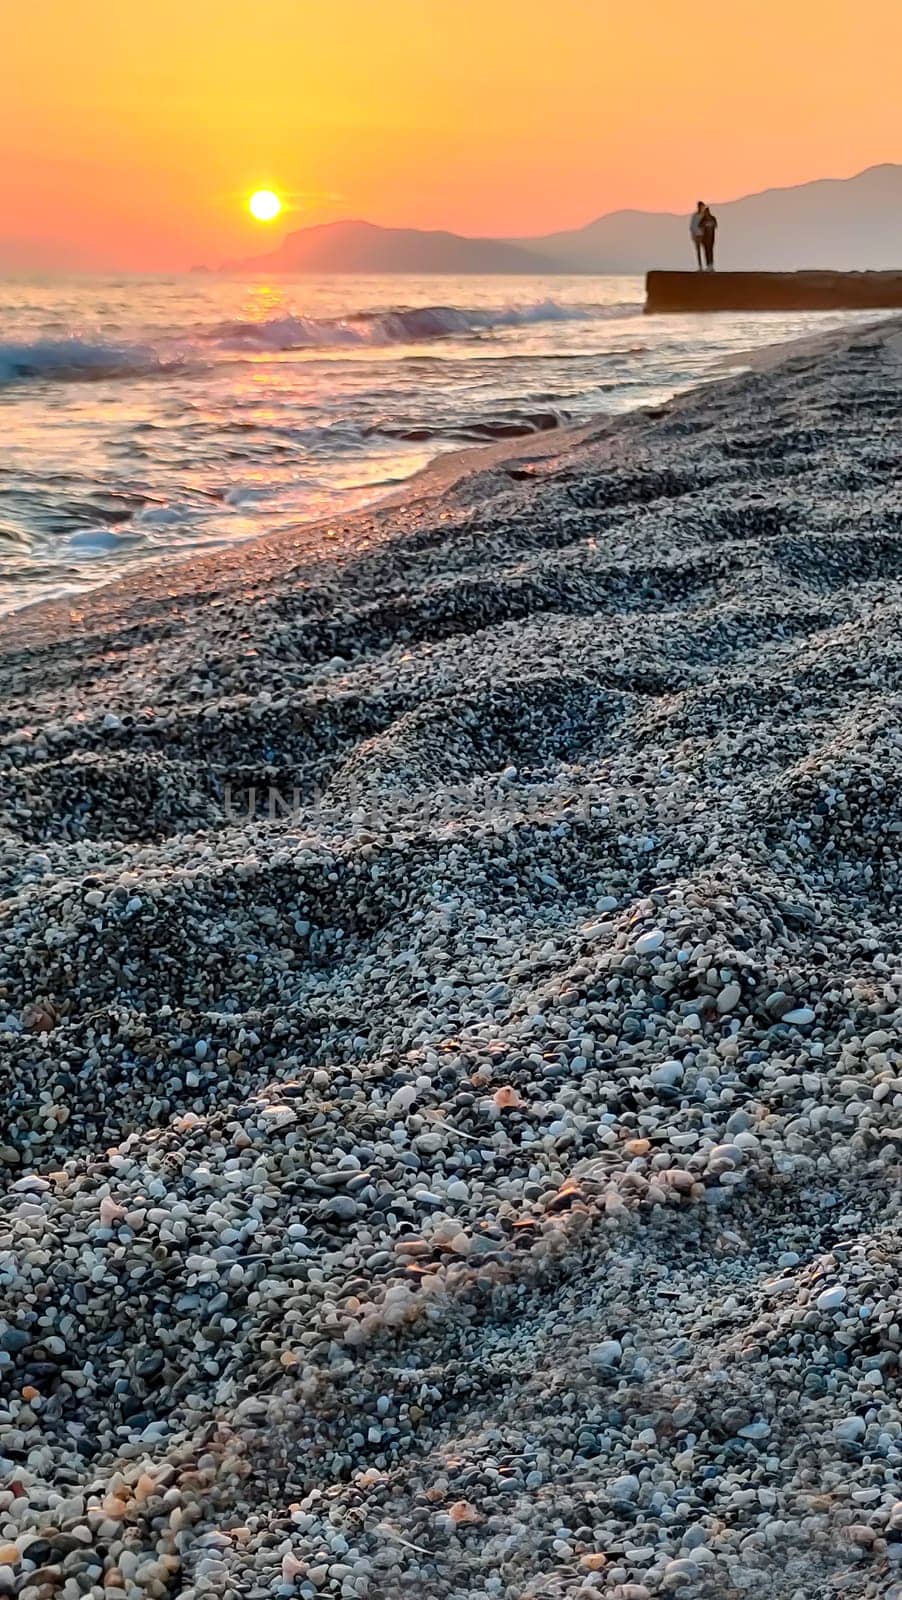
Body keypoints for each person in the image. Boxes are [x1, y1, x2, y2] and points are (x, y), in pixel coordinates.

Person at [700, 204, 718, 271]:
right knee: (707, 251)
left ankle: (711, 265)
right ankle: (708, 265)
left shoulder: (713, 218)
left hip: (711, 238)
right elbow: (700, 226)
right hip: (705, 238)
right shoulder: (703, 219)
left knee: (710, 251)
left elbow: (715, 225)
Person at [690, 201, 706, 270]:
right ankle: (700, 266)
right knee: (698, 251)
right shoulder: (695, 216)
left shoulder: (704, 215)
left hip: (704, 235)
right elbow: (692, 226)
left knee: (705, 250)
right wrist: (693, 235)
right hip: (697, 235)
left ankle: (707, 266)